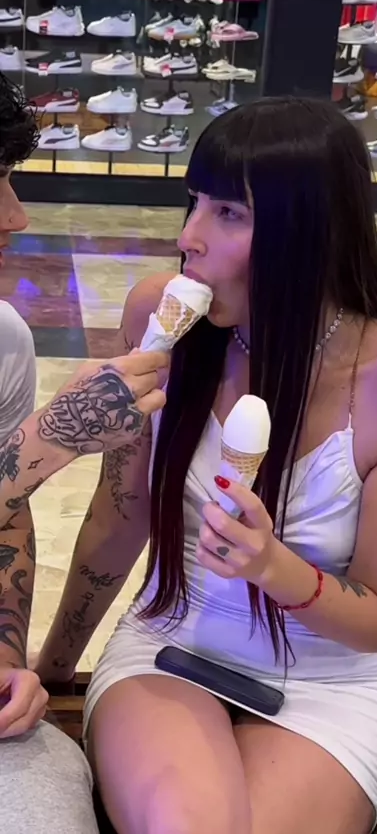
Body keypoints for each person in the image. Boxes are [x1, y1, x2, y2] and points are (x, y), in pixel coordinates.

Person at [35, 97, 377, 834]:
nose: (189, 237)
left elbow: (376, 621)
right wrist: (50, 673)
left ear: (313, 231)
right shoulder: (160, 321)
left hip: (329, 683)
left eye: (229, 213)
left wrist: (272, 565)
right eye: (195, 202)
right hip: (169, 645)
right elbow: (120, 517)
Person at [0, 72, 167, 834]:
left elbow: (7, 520)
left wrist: (11, 660)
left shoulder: (6, 340)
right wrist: (46, 441)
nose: (16, 215)